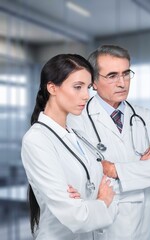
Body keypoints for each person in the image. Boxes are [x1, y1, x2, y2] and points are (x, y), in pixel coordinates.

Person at [67, 45, 150, 239]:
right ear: (93, 81)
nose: (122, 83)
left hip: (143, 227)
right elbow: (89, 180)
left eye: (126, 74)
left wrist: (116, 171)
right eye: (112, 76)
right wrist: (140, 171)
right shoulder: (76, 120)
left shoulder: (144, 117)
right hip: (105, 227)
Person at [21, 54, 117, 239]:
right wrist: (102, 201)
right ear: (52, 88)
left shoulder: (79, 137)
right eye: (78, 87)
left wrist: (86, 201)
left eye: (88, 87)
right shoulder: (37, 140)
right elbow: (74, 216)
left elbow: (113, 192)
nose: (86, 95)